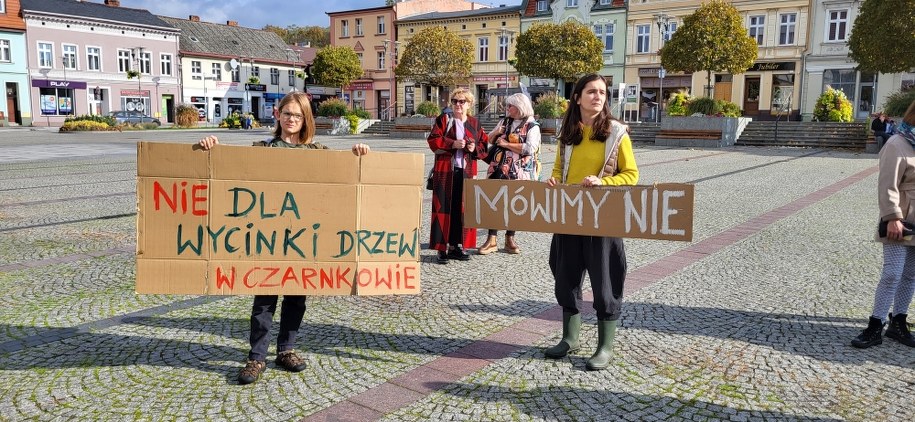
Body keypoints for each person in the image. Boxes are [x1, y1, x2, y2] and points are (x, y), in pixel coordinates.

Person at [198, 92, 371, 384]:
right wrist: (212, 147)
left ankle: (286, 349)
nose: (292, 119)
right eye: (287, 113)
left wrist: (358, 152)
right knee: (264, 299)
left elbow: (343, 174)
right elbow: (233, 167)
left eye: (298, 115)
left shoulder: (318, 152)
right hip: (269, 238)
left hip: (302, 239)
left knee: (296, 297)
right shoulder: (262, 148)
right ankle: (256, 357)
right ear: (278, 115)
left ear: (306, 119)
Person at [543, 74, 639, 371]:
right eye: (592, 91)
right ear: (577, 97)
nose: (598, 96)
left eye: (602, 92)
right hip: (570, 215)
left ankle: (604, 346)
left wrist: (603, 181)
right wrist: (554, 181)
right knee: (565, 275)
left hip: (603, 219)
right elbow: (560, 169)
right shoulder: (568, 132)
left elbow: (631, 175)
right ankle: (570, 338)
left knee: (605, 281)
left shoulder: (617, 132)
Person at [852, 99, 915, 349]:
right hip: (899, 220)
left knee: (910, 276)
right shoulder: (897, 143)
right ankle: (875, 325)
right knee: (892, 273)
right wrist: (892, 217)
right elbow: (887, 185)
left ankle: (898, 323)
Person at [427, 88, 489, 264]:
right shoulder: (444, 120)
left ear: (469, 104)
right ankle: (441, 249)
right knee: (443, 209)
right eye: (454, 101)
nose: (457, 105)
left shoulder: (474, 124)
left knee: (461, 210)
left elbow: (484, 147)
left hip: (467, 172)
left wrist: (473, 149)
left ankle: (456, 246)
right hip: (445, 171)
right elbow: (433, 141)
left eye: (462, 101)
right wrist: (452, 143)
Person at [478, 93, 542, 255]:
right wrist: (496, 133)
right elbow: (489, 140)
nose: (507, 109)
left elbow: (530, 148)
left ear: (520, 107)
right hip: (498, 168)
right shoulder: (505, 121)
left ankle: (510, 238)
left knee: (515, 204)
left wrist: (506, 144)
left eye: (510, 106)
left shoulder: (532, 125)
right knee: (494, 201)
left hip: (519, 170)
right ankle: (491, 239)